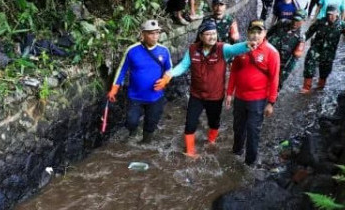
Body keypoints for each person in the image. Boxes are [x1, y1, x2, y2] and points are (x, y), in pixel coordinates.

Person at [153, 20, 254, 157]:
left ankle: (211, 141)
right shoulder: (193, 49)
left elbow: (234, 49)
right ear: (200, 36)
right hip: (197, 95)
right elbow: (183, 66)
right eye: (208, 34)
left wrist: (247, 45)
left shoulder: (222, 49)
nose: (212, 37)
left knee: (214, 122)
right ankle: (190, 152)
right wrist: (169, 75)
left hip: (215, 96)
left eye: (214, 33)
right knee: (190, 123)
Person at [225, 19, 280, 166]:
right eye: (252, 32)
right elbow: (234, 72)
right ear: (248, 33)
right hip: (240, 97)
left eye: (259, 32)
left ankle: (250, 162)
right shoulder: (241, 48)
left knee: (253, 130)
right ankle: (236, 153)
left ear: (265, 33)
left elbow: (275, 78)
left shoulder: (272, 52)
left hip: (258, 99)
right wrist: (229, 93)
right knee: (238, 127)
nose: (255, 35)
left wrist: (271, 102)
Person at [107, 19, 172, 143]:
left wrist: (165, 80)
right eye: (151, 33)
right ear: (143, 34)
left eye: (157, 33)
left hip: (155, 96)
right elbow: (122, 70)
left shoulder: (164, 51)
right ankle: (133, 134)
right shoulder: (132, 50)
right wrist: (114, 89)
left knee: (151, 123)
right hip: (135, 96)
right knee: (131, 121)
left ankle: (145, 143)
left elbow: (169, 69)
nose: (155, 36)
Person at [300, 5, 345, 93]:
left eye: (333, 14)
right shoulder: (320, 22)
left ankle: (320, 86)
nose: (331, 17)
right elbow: (308, 33)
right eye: (329, 14)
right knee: (309, 63)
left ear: (337, 14)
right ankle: (306, 87)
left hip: (329, 51)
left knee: (325, 69)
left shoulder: (342, 25)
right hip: (316, 48)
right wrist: (300, 41)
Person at [266, 11, 306, 89]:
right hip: (267, 56)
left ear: (303, 21)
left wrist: (282, 78)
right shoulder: (282, 22)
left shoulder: (301, 38)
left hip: (279, 64)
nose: (295, 23)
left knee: (273, 87)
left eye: (298, 21)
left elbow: (293, 61)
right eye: (294, 19)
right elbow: (267, 34)